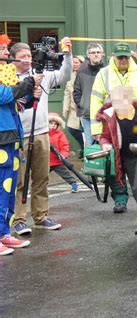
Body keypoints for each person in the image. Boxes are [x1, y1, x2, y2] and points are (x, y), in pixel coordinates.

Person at [90, 42, 137, 213]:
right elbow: (95, 101)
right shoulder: (103, 74)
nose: (123, 60)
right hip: (113, 126)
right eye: (120, 57)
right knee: (117, 164)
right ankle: (120, 200)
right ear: (114, 57)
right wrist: (96, 130)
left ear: (130, 57)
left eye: (125, 57)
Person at [11, 38, 73, 235]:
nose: (28, 60)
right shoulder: (9, 78)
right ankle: (18, 219)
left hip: (41, 133)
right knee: (19, 180)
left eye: (29, 55)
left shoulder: (42, 75)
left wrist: (68, 54)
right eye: (22, 57)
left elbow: (64, 75)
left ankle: (41, 216)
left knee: (41, 177)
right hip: (18, 136)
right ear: (12, 59)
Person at [96, 86, 137, 235]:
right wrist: (105, 144)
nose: (120, 104)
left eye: (123, 100)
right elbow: (105, 136)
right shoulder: (110, 116)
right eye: (116, 101)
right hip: (125, 157)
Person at [0, 34, 38, 254]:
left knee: (8, 188)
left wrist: (31, 94)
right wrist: (28, 83)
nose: (7, 53)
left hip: (11, 136)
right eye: (3, 49)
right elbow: (5, 95)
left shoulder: (8, 74)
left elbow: (19, 102)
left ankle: (4, 233)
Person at [73, 43, 105, 147]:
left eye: (98, 52)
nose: (96, 54)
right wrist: (82, 105)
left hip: (104, 116)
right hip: (87, 115)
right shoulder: (81, 72)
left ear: (102, 54)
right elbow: (76, 92)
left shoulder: (107, 71)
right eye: (93, 52)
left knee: (105, 144)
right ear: (88, 55)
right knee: (90, 146)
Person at [48, 113, 78, 193]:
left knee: (65, 173)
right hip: (46, 161)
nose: (53, 126)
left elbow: (65, 145)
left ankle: (73, 183)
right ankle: (39, 189)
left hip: (57, 160)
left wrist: (63, 154)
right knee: (41, 177)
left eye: (55, 124)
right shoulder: (44, 135)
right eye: (51, 123)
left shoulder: (60, 134)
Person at [63, 55, 84, 158]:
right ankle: (83, 146)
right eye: (73, 62)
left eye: (76, 62)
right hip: (73, 108)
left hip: (84, 108)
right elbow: (67, 93)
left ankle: (86, 152)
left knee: (86, 130)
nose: (74, 64)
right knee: (72, 129)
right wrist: (65, 108)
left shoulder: (86, 75)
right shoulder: (71, 76)